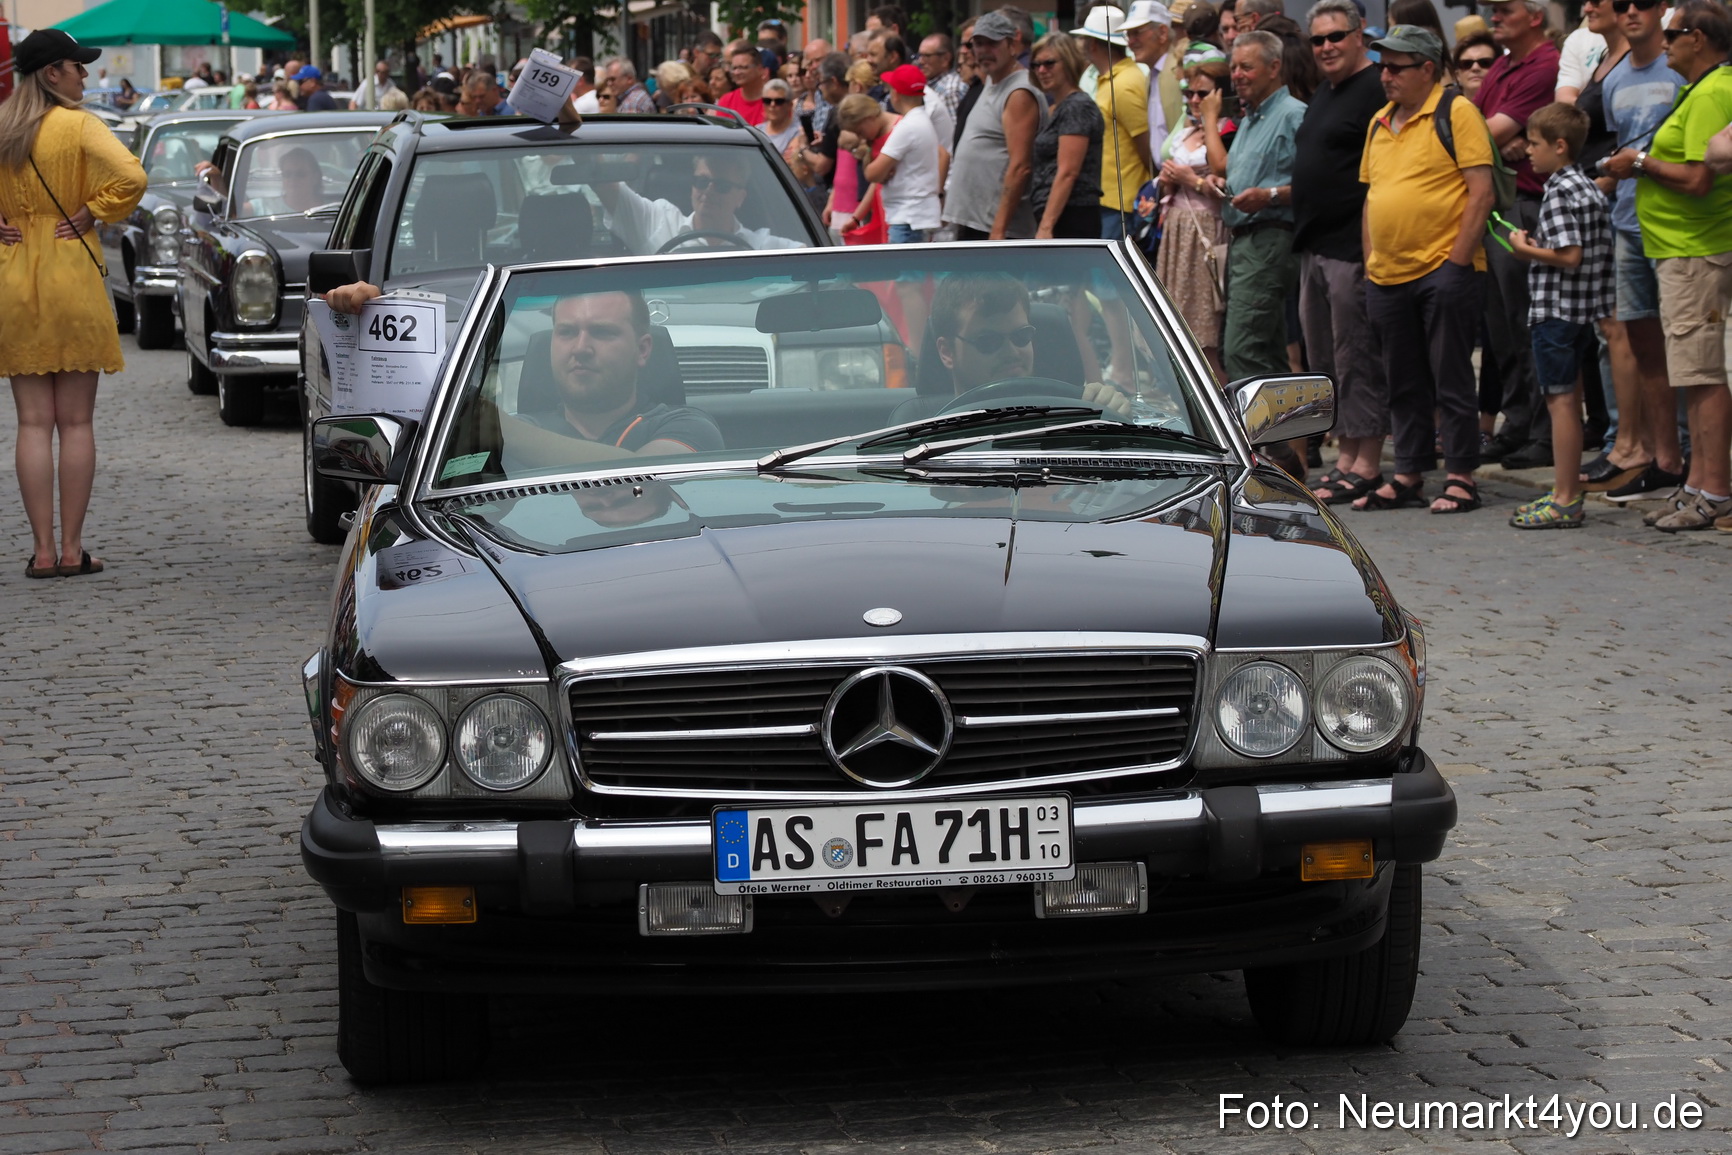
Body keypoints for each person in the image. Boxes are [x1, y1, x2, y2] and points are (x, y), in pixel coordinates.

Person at [0, 30, 147, 579]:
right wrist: (95, 210)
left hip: (14, 277)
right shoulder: (79, 125)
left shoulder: (3, 129)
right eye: (76, 67)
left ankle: (40, 551)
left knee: (32, 423)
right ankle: (71, 549)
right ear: (51, 73)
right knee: (77, 422)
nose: (85, 76)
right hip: (70, 267)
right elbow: (132, 175)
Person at [1355, 25, 1496, 515]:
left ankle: (1461, 475)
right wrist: (1372, 262)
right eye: (1382, 66)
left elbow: (1481, 191)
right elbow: (1372, 198)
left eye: (1396, 67)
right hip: (1388, 274)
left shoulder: (1456, 112)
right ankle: (1409, 473)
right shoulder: (1379, 122)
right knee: (1402, 379)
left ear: (1428, 69)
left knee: (1451, 375)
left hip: (1443, 268)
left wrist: (1457, 262)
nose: (1386, 75)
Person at [1602, 0, 1732, 530]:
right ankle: (1697, 483)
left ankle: (1714, 490)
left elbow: (1699, 177)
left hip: (1695, 248)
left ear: (1697, 38)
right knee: (1694, 373)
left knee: (1703, 376)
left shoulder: (1713, 91)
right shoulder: (1699, 91)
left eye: (1675, 34)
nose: (1668, 43)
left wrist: (1637, 164)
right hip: (1679, 248)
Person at [1293, 0, 1390, 505]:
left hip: (1352, 245)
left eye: (1336, 36)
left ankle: (1367, 459)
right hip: (1314, 244)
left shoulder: (1376, 87)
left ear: (1359, 37)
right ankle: (1346, 454)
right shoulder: (1326, 92)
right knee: (1326, 361)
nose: (1327, 47)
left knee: (1357, 356)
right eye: (1318, 39)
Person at [1505, 102, 1616, 528]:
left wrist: (1523, 248)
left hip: (1556, 310)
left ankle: (1566, 497)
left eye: (1534, 144)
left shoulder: (1558, 189)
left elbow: (1569, 256)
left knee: (1561, 402)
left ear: (1559, 145)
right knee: (1568, 398)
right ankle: (1563, 489)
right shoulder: (1587, 185)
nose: (1528, 151)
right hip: (1582, 311)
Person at [1596, 0, 1687, 505]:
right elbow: (1619, 150)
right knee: (1644, 342)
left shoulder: (1677, 71)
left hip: (1675, 222)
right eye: (1621, 4)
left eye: (1644, 2)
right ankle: (1665, 460)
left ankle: (1699, 458)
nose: (1631, 11)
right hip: (1627, 222)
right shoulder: (1613, 81)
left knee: (1687, 345)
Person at [1475, 0, 1561, 470]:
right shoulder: (1503, 65)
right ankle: (1519, 421)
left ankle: (1543, 432)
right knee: (1502, 328)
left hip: (1525, 205)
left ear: (1534, 16)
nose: (1494, 16)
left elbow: (1482, 133)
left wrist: (1497, 142)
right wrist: (1492, 143)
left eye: (1504, 8)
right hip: (1498, 205)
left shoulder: (1543, 65)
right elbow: (1476, 131)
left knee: (1528, 322)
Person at [923, 273, 1134, 416]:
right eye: (988, 341)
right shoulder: (919, 441)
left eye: (1021, 336)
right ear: (947, 352)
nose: (1011, 351)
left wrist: (1112, 416)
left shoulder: (1083, 417)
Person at [1219, 30, 1303, 383]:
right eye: (1234, 66)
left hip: (1270, 239)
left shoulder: (1293, 115)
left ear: (1274, 67)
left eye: (1246, 67)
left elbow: (1316, 186)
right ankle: (1282, 439)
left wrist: (1267, 196)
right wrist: (1220, 185)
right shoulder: (1251, 118)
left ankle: (1250, 440)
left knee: (1241, 351)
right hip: (1243, 243)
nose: (1236, 74)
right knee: (1268, 352)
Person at [1155, 54, 1233, 374]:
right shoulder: (1187, 131)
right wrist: (1167, 182)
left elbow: (1227, 183)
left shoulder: (1228, 130)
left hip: (1206, 231)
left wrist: (1192, 180)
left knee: (1205, 331)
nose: (1195, 100)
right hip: (1176, 229)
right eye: (1189, 94)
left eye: (1203, 93)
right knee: (1178, 328)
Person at [944, 10, 1046, 241]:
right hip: (973, 221)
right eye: (978, 44)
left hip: (997, 229)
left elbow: (1021, 166)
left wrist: (998, 230)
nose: (983, 51)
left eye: (992, 43)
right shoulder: (992, 79)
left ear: (1011, 45)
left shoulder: (1019, 91)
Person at [596, 152, 803, 253]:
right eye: (702, 182)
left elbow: (814, 261)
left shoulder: (760, 247)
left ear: (740, 198)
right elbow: (603, 183)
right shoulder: (659, 222)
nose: (709, 191)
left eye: (722, 186)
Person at [1074, 5, 1153, 239]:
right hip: (1111, 197)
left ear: (1093, 44)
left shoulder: (1123, 83)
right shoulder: (1113, 79)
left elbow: (1144, 143)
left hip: (1121, 202)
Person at [1029, 31, 1106, 239]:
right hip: (1057, 214)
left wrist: (1046, 225)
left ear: (1069, 62)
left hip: (1072, 215)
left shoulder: (1077, 106)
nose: (1041, 70)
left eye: (1049, 63)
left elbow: (1068, 172)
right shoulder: (1056, 107)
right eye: (1036, 65)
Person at [856, 64, 943, 245]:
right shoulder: (922, 120)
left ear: (895, 94)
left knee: (908, 273)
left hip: (908, 218)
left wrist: (867, 152)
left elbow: (873, 173)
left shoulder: (907, 126)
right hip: (917, 216)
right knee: (918, 273)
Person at [830, 93, 895, 244]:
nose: (862, 138)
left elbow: (874, 177)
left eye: (860, 132)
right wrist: (856, 217)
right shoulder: (877, 137)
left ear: (868, 118)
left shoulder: (898, 131)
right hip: (885, 209)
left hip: (901, 213)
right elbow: (876, 184)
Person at [1123, 1, 1182, 163]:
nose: (1130, 41)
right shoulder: (1152, 75)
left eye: (1137, 33)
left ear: (1162, 33)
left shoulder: (1179, 70)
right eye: (1128, 34)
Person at [718, 45, 768, 123]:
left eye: (743, 67)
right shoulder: (726, 101)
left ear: (759, 69)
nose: (737, 72)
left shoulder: (774, 101)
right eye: (734, 68)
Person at [1453, 33, 1501, 100]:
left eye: (1485, 63)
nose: (1475, 68)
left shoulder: (1516, 104)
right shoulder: (1447, 109)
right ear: (1457, 75)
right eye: (1466, 64)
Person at [757, 79, 802, 151]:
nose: (772, 105)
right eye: (767, 101)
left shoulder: (798, 133)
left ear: (789, 105)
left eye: (779, 101)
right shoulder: (757, 131)